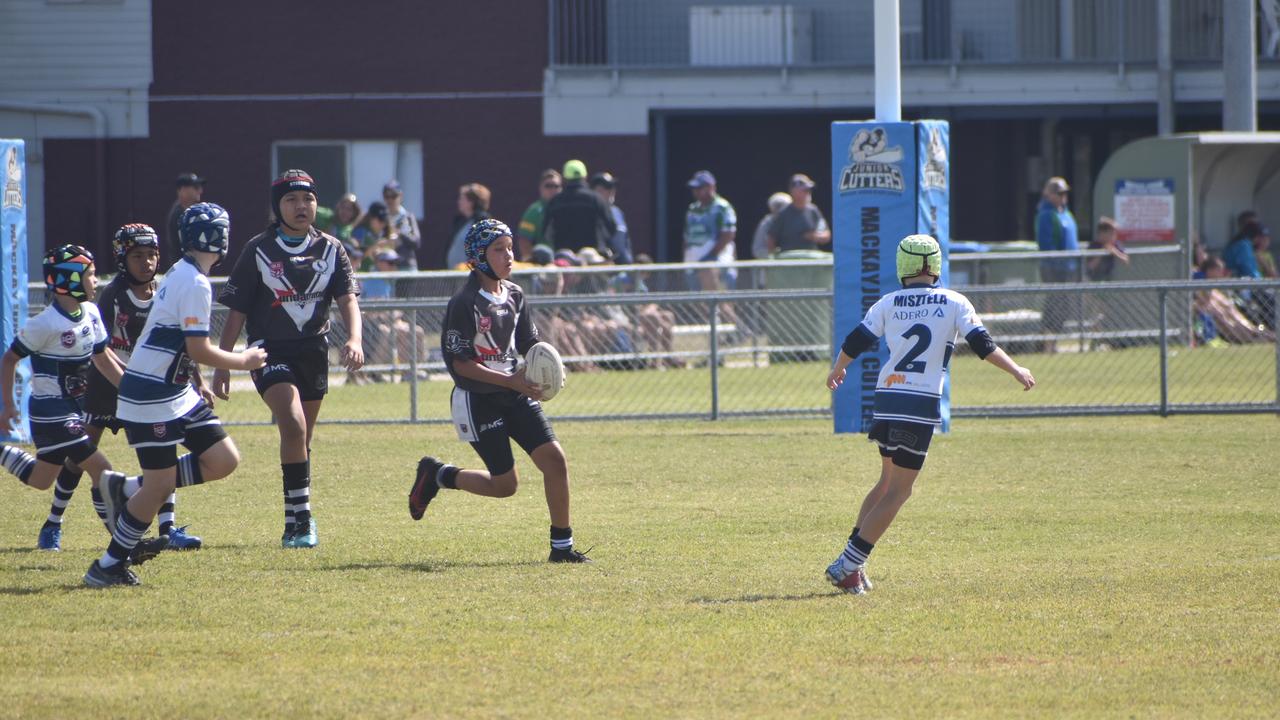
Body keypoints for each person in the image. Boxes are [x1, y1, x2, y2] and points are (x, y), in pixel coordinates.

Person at [823, 234, 1035, 594]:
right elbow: (983, 345)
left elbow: (856, 340)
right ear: (935, 266)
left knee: (886, 482)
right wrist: (1016, 370)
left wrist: (837, 368)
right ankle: (847, 564)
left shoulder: (888, 302)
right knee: (900, 491)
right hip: (917, 404)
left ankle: (855, 566)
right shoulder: (954, 301)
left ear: (902, 266)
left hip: (887, 397)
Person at [83, 204, 269, 587]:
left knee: (223, 460)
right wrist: (244, 360)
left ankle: (124, 488)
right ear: (216, 238)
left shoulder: (184, 273)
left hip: (174, 392)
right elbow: (198, 349)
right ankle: (107, 566)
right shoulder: (194, 281)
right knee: (159, 488)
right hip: (151, 394)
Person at [408, 219, 591, 563]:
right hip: (479, 400)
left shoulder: (515, 295)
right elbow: (459, 364)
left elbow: (528, 343)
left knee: (555, 460)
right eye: (498, 249)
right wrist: (510, 381)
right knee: (505, 486)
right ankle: (438, 475)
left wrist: (542, 369)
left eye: (510, 248)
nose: (509, 255)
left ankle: (562, 548)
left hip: (515, 393)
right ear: (478, 255)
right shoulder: (464, 302)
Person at [212, 170, 364, 549]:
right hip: (269, 350)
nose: (301, 206)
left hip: (313, 351)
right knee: (292, 425)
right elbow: (236, 311)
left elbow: (348, 299)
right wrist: (223, 364)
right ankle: (303, 521)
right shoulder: (258, 249)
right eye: (291, 200)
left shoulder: (331, 248)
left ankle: (295, 519)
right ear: (277, 207)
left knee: (302, 439)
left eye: (308, 199)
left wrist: (356, 339)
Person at [36, 224, 204, 552]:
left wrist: (197, 380)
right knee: (79, 454)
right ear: (121, 259)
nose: (147, 262)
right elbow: (102, 347)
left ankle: (168, 529)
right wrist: (129, 376)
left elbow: (183, 343)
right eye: (137, 256)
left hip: (151, 388)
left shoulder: (166, 293)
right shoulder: (112, 295)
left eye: (152, 255)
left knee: (164, 450)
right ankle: (53, 523)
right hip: (106, 385)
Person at [0, 245, 156, 563]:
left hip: (74, 410)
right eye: (90, 275)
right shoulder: (44, 324)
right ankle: (123, 545)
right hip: (49, 411)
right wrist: (7, 405)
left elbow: (103, 360)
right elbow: (9, 359)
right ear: (69, 280)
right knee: (102, 470)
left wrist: (134, 390)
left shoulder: (92, 313)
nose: (96, 281)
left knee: (42, 480)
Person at [1034, 176, 1080, 353]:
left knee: (1065, 305)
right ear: (1049, 195)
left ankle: (1054, 342)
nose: (1063, 196)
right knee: (1054, 303)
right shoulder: (1046, 215)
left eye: (1065, 193)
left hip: (1069, 268)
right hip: (1053, 268)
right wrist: (1057, 261)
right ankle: (1047, 344)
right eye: (1059, 193)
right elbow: (1046, 244)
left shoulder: (1066, 214)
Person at [543, 159, 616, 256]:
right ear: (585, 177)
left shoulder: (555, 202)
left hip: (564, 260)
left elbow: (545, 231)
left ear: (565, 178)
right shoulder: (596, 199)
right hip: (592, 258)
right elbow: (611, 227)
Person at [683, 170, 738, 291]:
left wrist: (709, 258)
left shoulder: (722, 208)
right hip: (693, 263)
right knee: (699, 305)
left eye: (699, 188)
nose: (696, 191)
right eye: (694, 188)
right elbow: (687, 236)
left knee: (722, 304)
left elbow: (728, 235)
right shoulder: (692, 209)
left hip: (716, 263)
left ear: (711, 187)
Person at [765, 174, 831, 255]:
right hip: (789, 259)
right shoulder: (783, 213)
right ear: (793, 191)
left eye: (809, 190)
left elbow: (826, 234)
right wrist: (773, 258)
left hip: (811, 259)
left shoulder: (813, 211)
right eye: (804, 190)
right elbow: (771, 239)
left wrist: (815, 237)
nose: (808, 193)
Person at [516, 169, 562, 261]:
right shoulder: (534, 211)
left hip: (563, 262)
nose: (553, 189)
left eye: (556, 186)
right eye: (548, 186)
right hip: (542, 264)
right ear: (541, 188)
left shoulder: (565, 208)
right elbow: (524, 239)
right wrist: (530, 261)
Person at [590, 172, 633, 265]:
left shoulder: (617, 212)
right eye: (606, 187)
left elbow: (625, 243)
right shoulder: (590, 213)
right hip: (603, 267)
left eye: (612, 187)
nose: (611, 191)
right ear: (594, 191)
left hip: (624, 269)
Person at [446, 183, 493, 269]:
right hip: (454, 274)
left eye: (462, 199)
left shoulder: (482, 222)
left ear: (471, 202)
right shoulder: (460, 222)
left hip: (470, 273)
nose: (459, 202)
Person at [165, 172, 205, 263]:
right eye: (196, 187)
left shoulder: (189, 211)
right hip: (185, 267)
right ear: (182, 190)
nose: (200, 191)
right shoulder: (179, 214)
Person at [382, 180, 421, 270]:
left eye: (394, 196)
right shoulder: (382, 219)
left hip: (406, 266)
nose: (390, 200)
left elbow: (416, 242)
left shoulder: (407, 217)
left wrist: (400, 234)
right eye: (387, 196)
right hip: (386, 268)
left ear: (400, 196)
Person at [352, 201, 397, 271]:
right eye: (380, 220)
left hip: (379, 277)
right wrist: (377, 245)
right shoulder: (359, 232)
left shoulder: (384, 233)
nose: (383, 224)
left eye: (385, 220)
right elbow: (356, 257)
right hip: (362, 275)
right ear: (371, 218)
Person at [1085, 216, 1129, 281]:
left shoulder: (1115, 244)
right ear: (1102, 234)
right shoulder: (1093, 245)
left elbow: (1126, 260)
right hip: (1094, 279)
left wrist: (1115, 251)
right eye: (1111, 234)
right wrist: (1102, 252)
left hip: (1109, 278)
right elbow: (1090, 266)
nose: (1114, 236)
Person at [323, 193, 363, 261]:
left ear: (354, 212)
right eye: (343, 207)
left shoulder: (352, 228)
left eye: (349, 209)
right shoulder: (328, 217)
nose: (345, 212)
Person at [752, 192, 792, 260]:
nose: (779, 210)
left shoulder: (798, 221)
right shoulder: (766, 223)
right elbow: (757, 250)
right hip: (773, 265)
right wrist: (777, 256)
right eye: (776, 206)